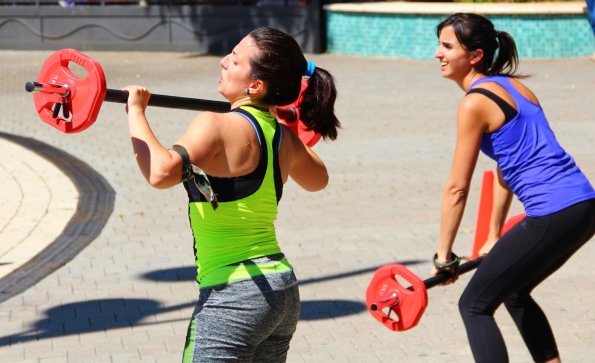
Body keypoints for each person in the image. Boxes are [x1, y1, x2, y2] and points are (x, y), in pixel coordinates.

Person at [123, 27, 340, 362]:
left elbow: (160, 172)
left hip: (233, 297)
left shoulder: (215, 125)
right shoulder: (284, 136)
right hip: (280, 292)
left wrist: (136, 111)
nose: (223, 62)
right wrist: (284, 124)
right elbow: (319, 180)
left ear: (255, 86)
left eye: (235, 60)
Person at [431, 13, 595, 363]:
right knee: (515, 291)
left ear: (474, 55)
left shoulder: (474, 103)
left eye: (447, 46)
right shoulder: (515, 86)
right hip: (583, 206)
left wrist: (443, 257)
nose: (437, 53)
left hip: (552, 211)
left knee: (474, 305)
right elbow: (508, 169)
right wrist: (492, 236)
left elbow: (457, 188)